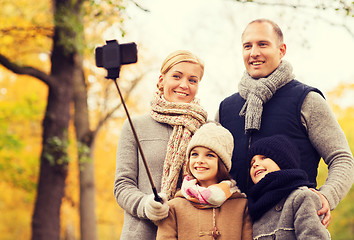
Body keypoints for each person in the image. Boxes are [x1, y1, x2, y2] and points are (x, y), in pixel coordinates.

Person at [217, 18, 354, 227]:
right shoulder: (225, 109)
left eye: (263, 44)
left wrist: (325, 197)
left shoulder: (306, 99)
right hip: (234, 227)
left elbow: (342, 158)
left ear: (282, 50)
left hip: (291, 226)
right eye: (247, 46)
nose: (254, 52)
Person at [114, 50, 208, 239]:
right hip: (143, 233)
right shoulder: (136, 126)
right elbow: (123, 185)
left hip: (192, 232)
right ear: (161, 80)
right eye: (176, 76)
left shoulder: (208, 130)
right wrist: (145, 205)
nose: (184, 85)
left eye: (192, 80)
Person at [156, 122, 252, 240]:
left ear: (222, 163)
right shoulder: (174, 207)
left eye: (210, 155)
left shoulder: (241, 206)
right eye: (194, 154)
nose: (200, 160)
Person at [248, 135, 331, 239]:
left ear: (282, 160)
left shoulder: (301, 197)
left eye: (263, 157)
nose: (255, 164)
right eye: (252, 162)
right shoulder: (255, 207)